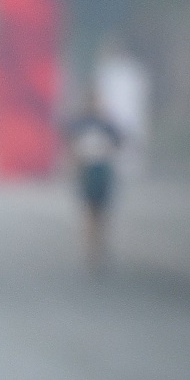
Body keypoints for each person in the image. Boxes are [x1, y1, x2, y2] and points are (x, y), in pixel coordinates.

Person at [66, 93, 124, 275]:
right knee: (89, 211)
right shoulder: (80, 124)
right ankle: (90, 249)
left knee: (102, 212)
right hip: (87, 169)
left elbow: (120, 141)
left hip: (102, 169)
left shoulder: (107, 124)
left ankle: (100, 245)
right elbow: (72, 146)